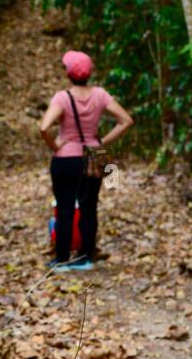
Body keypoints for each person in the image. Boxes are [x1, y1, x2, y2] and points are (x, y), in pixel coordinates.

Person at [38, 50, 134, 270]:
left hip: (65, 158)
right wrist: (102, 142)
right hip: (94, 155)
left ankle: (62, 258)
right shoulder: (100, 94)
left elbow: (44, 127)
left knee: (65, 207)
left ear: (68, 73)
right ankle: (85, 257)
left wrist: (55, 145)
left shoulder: (62, 97)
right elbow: (126, 120)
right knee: (90, 207)